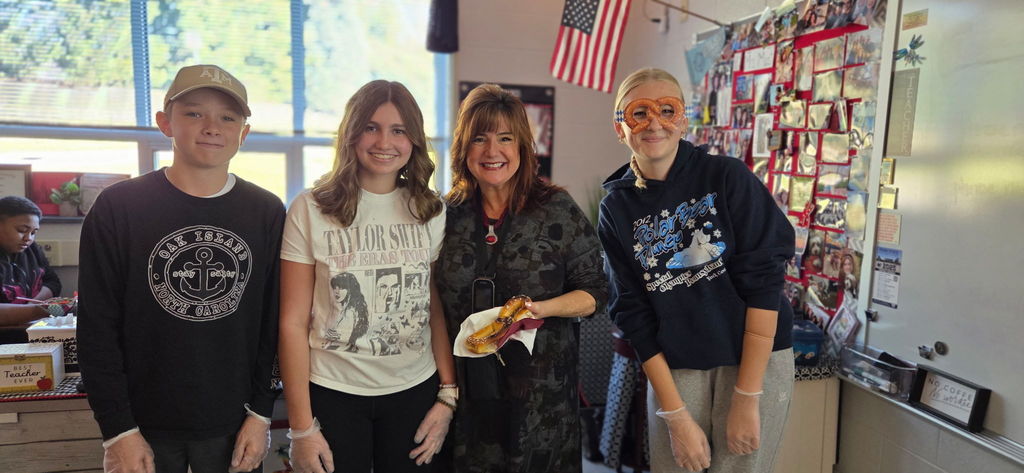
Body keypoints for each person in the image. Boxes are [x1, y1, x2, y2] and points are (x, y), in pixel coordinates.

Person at [78, 64, 284, 473]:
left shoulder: (266, 211)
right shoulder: (119, 207)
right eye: (194, 113)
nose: (212, 127)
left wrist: (261, 413)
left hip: (234, 422)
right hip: (141, 424)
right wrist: (118, 430)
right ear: (165, 123)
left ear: (243, 133)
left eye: (228, 118)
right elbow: (96, 328)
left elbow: (273, 323)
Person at [598, 68, 795, 473]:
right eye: (639, 113)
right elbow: (633, 313)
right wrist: (675, 417)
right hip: (676, 364)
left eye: (667, 110)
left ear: (683, 119)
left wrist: (747, 396)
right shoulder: (615, 209)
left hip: (753, 356)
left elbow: (764, 282)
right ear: (620, 128)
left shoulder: (727, 176)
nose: (654, 123)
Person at [278, 80, 455, 473]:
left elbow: (433, 309)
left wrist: (448, 394)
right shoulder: (310, 208)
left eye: (399, 130)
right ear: (352, 133)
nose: (384, 142)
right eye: (371, 127)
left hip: (414, 389)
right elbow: (292, 322)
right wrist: (301, 428)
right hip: (332, 390)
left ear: (413, 139)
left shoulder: (430, 209)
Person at [434, 84, 608, 473]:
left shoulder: (557, 209)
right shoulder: (445, 214)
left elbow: (595, 292)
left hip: (541, 402)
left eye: (505, 138)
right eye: (479, 138)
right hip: (466, 397)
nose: (492, 151)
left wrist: (540, 308)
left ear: (523, 147)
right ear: (463, 148)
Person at [0, 196, 62, 326]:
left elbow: (52, 282)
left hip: (32, 326)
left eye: (33, 232)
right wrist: (40, 310)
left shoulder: (31, 249)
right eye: (22, 230)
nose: (28, 238)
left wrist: (31, 305)